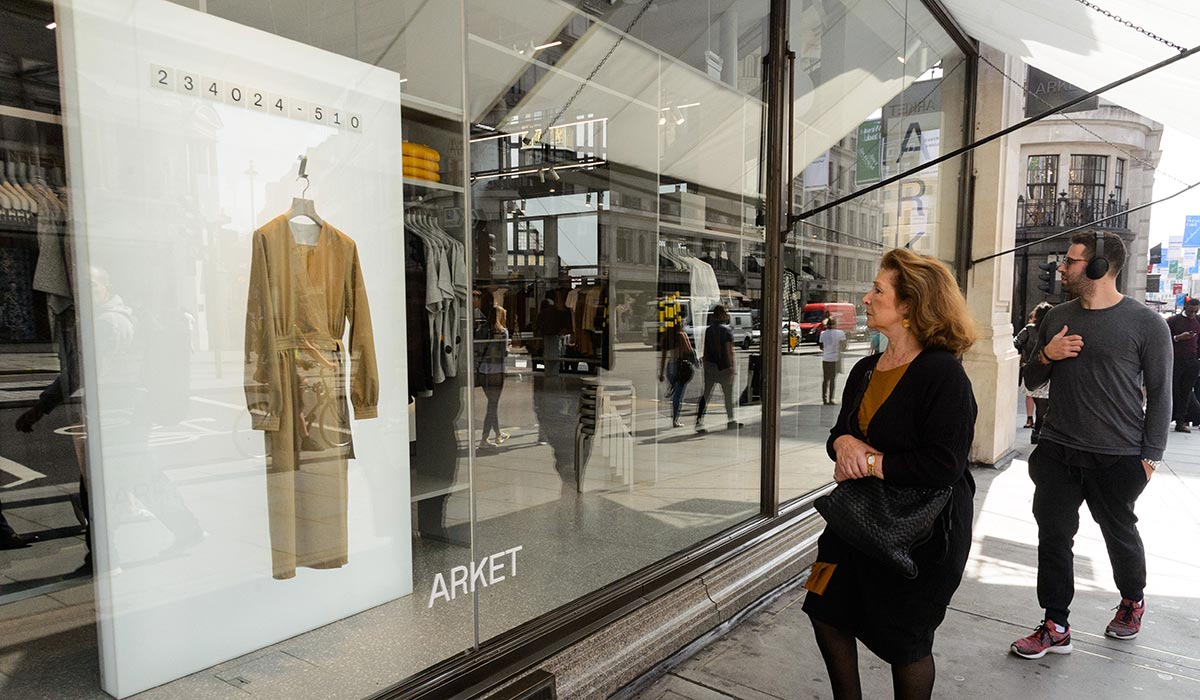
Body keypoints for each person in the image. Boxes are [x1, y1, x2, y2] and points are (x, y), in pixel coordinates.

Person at [802, 248, 977, 700]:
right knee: (825, 609)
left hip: (922, 533)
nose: (865, 298)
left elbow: (945, 465)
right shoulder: (864, 368)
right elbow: (840, 434)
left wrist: (871, 462)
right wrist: (844, 444)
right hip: (855, 519)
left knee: (906, 642)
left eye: (878, 290)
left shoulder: (943, 375)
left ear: (909, 304)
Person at [1014, 231, 1171, 660]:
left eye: (1071, 261)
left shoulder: (1147, 324)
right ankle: (1055, 624)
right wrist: (1047, 354)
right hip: (1058, 451)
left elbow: (1161, 395)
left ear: (1101, 268)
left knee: (1119, 533)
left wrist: (1150, 459)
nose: (1061, 268)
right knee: (1054, 537)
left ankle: (1131, 600)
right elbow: (1031, 381)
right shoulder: (1057, 316)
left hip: (1118, 456)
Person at [695, 305, 741, 433]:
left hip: (710, 366)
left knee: (706, 395)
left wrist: (706, 365)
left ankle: (699, 421)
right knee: (728, 395)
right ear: (720, 314)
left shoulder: (708, 330)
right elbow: (729, 351)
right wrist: (732, 368)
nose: (727, 314)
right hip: (724, 368)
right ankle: (731, 420)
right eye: (725, 312)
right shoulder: (726, 331)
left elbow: (705, 350)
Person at [476, 305, 510, 449]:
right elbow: (504, 353)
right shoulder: (502, 331)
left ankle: (497, 434)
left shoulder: (480, 329)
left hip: (483, 369)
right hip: (496, 370)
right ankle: (484, 439)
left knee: (492, 404)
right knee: (492, 405)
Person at [1166, 297, 1200, 433]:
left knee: (1186, 392)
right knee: (1173, 390)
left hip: (1192, 361)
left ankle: (1181, 421)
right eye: (1191, 311)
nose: (1192, 314)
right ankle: (1170, 416)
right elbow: (1164, 338)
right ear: (1185, 307)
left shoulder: (1198, 321)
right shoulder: (1174, 321)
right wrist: (1178, 338)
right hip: (1176, 360)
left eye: (1195, 311)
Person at [1025, 303, 1053, 444]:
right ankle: (1038, 432)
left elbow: (1016, 343)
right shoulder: (1052, 330)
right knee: (1044, 408)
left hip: (1034, 370)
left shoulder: (1031, 329)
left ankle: (1036, 431)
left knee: (1041, 408)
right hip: (1045, 374)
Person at [659, 321, 696, 428]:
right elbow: (688, 350)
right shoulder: (681, 335)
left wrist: (661, 373)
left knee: (676, 390)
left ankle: (672, 386)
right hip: (679, 366)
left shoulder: (667, 337)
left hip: (670, 366)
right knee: (678, 396)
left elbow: (663, 357)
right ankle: (675, 419)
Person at [1014, 309, 1040, 429]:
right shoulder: (1050, 328)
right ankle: (1039, 422)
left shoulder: (1029, 329)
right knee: (1043, 396)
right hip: (1046, 365)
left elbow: (1015, 342)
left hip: (1029, 365)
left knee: (1029, 394)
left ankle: (1030, 419)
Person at [819, 317, 847, 405]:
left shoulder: (823, 333)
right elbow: (844, 346)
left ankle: (824, 398)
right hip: (835, 359)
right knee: (832, 379)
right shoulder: (840, 333)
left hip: (826, 358)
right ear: (835, 324)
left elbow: (821, 346)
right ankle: (831, 399)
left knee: (825, 379)